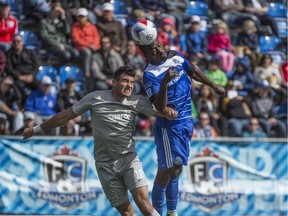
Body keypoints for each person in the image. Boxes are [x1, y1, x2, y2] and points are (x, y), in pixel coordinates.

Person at [23, 65, 179, 216]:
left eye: (132, 82)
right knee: (126, 212)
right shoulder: (95, 98)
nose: (129, 85)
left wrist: (168, 112)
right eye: (125, 81)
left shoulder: (137, 102)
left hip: (129, 160)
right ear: (114, 82)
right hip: (105, 166)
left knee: (144, 205)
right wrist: (36, 129)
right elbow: (65, 115)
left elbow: (161, 111)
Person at [138, 40, 225, 216]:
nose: (159, 49)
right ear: (147, 55)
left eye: (159, 45)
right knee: (165, 171)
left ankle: (172, 212)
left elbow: (193, 70)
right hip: (168, 127)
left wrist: (213, 86)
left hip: (186, 122)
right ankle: (157, 214)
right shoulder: (149, 75)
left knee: (177, 169)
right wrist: (164, 83)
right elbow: (159, 107)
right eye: (153, 49)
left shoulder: (175, 56)